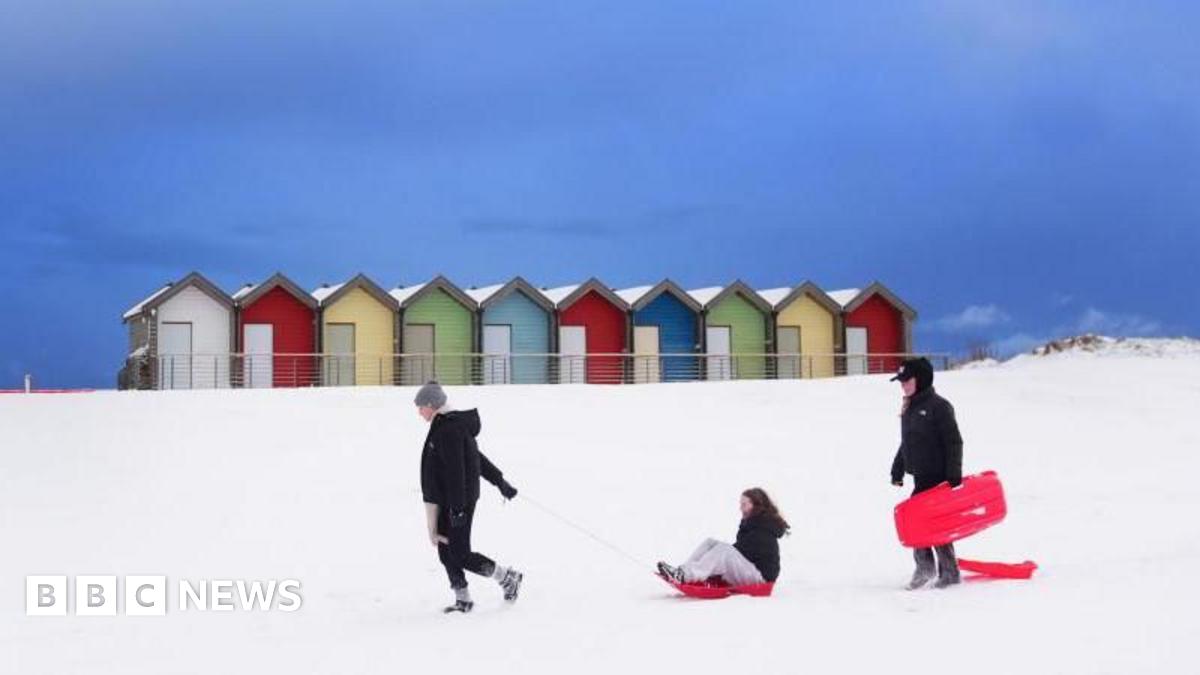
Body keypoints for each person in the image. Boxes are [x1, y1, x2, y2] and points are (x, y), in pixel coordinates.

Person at [416, 381, 523, 613]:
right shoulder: (444, 425)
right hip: (448, 500)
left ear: (432, 405)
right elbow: (475, 457)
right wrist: (500, 481)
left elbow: (458, 471)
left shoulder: (449, 428)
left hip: (459, 501)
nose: (418, 411)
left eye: (421, 406)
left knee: (461, 553)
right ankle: (462, 598)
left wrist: (458, 509)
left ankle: (507, 578)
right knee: (446, 552)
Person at [889, 357, 964, 590]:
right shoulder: (910, 408)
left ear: (920, 380)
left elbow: (954, 442)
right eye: (900, 381)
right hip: (920, 476)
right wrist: (898, 467)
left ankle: (945, 571)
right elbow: (908, 442)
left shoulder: (939, 407)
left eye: (906, 380)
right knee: (920, 520)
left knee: (934, 523)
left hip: (938, 478)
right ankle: (928, 567)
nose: (903, 385)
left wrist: (954, 473)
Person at [657, 488, 788, 587]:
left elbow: (739, 552)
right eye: (740, 504)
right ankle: (682, 572)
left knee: (724, 550)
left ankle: (685, 575)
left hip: (761, 578)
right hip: (749, 569)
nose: (740, 508)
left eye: (744, 504)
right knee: (711, 543)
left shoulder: (763, 528)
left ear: (756, 505)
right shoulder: (753, 523)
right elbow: (739, 553)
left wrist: (714, 564)